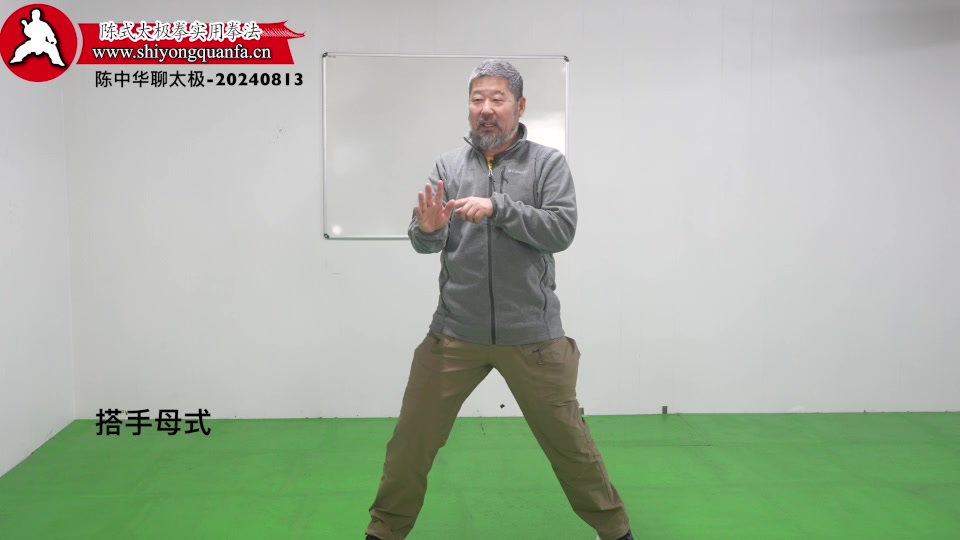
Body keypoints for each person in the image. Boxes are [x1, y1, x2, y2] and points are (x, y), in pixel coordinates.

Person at [365, 59, 634, 540]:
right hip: (454, 334)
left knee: (571, 448)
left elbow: (561, 230)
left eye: (497, 99)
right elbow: (425, 241)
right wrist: (428, 231)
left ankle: (615, 531)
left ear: (519, 106)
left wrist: (498, 208)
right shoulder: (449, 165)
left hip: (533, 339)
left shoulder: (547, 164)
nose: (485, 109)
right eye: (477, 100)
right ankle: (383, 531)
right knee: (410, 444)